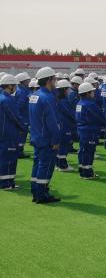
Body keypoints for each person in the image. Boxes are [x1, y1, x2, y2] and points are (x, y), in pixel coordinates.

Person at [28, 67, 62, 203]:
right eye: (54, 79)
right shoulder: (47, 97)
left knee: (37, 164)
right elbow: (53, 122)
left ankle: (36, 192)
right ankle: (41, 194)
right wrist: (56, 140)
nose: (55, 81)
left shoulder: (34, 95)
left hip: (37, 136)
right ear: (49, 80)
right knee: (45, 166)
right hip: (46, 138)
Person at [0, 74, 26, 190]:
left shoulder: (2, 97)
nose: (16, 88)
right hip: (9, 133)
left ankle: (7, 182)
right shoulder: (7, 99)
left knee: (4, 158)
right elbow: (15, 117)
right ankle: (6, 183)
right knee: (9, 159)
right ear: (9, 86)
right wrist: (23, 128)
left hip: (4, 133)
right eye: (14, 85)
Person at [75, 82, 105, 179]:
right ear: (87, 93)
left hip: (82, 130)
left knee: (83, 150)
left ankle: (82, 170)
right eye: (91, 91)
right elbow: (100, 117)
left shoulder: (80, 103)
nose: (93, 93)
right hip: (90, 130)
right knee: (89, 151)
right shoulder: (90, 104)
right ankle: (87, 173)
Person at [54, 79, 75, 171]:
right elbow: (69, 113)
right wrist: (76, 119)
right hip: (64, 125)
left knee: (60, 145)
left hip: (59, 125)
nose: (69, 91)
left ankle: (58, 163)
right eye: (67, 89)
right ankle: (63, 165)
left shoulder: (56, 99)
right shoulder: (63, 101)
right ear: (64, 90)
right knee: (64, 145)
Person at [14, 72, 31, 158]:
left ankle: (19, 151)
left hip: (23, 116)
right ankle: (19, 152)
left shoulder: (22, 90)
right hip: (23, 117)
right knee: (22, 135)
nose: (29, 81)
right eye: (27, 80)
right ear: (23, 81)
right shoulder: (22, 91)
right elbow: (19, 106)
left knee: (21, 135)